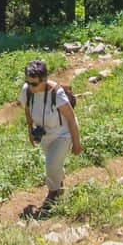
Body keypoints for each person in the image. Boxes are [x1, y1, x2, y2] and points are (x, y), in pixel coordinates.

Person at [22, 58, 81, 207]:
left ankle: (53, 194)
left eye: (34, 83)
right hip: (45, 135)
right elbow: (27, 110)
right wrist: (30, 131)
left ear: (44, 80)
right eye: (28, 82)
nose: (30, 86)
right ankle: (59, 186)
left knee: (51, 165)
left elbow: (71, 118)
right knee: (54, 163)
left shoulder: (57, 94)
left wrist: (76, 143)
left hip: (63, 134)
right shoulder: (27, 91)